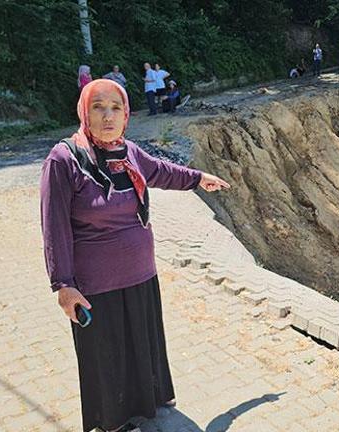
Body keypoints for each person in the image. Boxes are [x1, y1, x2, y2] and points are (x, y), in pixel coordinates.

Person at [40, 79, 230, 432]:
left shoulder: (127, 152)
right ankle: (112, 420)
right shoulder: (64, 159)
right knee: (107, 354)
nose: (108, 115)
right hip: (96, 284)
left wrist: (198, 178)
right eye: (98, 107)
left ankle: (149, 400)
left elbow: (160, 170)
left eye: (116, 107)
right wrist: (63, 285)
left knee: (142, 342)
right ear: (84, 112)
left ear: (126, 114)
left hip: (141, 272)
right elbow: (54, 228)